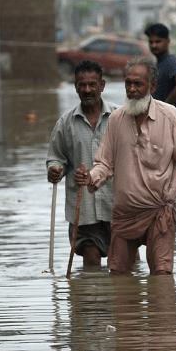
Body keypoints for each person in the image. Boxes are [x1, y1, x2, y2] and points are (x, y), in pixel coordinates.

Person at [74, 57, 176, 276]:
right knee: (118, 276)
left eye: (139, 84)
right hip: (125, 214)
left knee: (162, 275)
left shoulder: (169, 116)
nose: (132, 89)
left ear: (153, 87)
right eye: (128, 83)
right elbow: (104, 163)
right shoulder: (116, 119)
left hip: (160, 212)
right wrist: (90, 177)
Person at [46, 60, 119, 268]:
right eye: (82, 85)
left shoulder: (119, 117)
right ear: (75, 86)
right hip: (84, 207)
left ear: (102, 85)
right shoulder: (65, 123)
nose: (87, 90)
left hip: (118, 205)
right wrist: (55, 170)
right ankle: (87, 300)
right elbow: (56, 157)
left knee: (124, 263)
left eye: (92, 84)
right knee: (91, 261)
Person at [144, 23, 176, 112]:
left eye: (158, 41)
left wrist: (164, 107)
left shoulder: (172, 62)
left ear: (167, 41)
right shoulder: (157, 64)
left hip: (169, 120)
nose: (154, 45)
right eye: (151, 42)